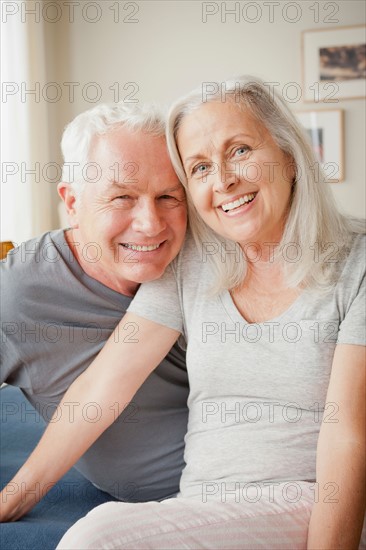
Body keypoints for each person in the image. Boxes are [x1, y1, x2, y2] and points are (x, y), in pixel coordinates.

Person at [1, 76, 365, 549]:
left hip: (308, 501)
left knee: (98, 537)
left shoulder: (355, 263)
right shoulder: (193, 260)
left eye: (240, 150)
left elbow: (347, 431)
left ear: (291, 156)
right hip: (201, 508)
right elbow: (104, 386)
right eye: (198, 167)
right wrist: (10, 501)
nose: (223, 180)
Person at [0, 102, 189, 504]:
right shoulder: (19, 294)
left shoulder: (201, 257)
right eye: (122, 197)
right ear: (72, 203)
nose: (151, 223)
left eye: (169, 196)